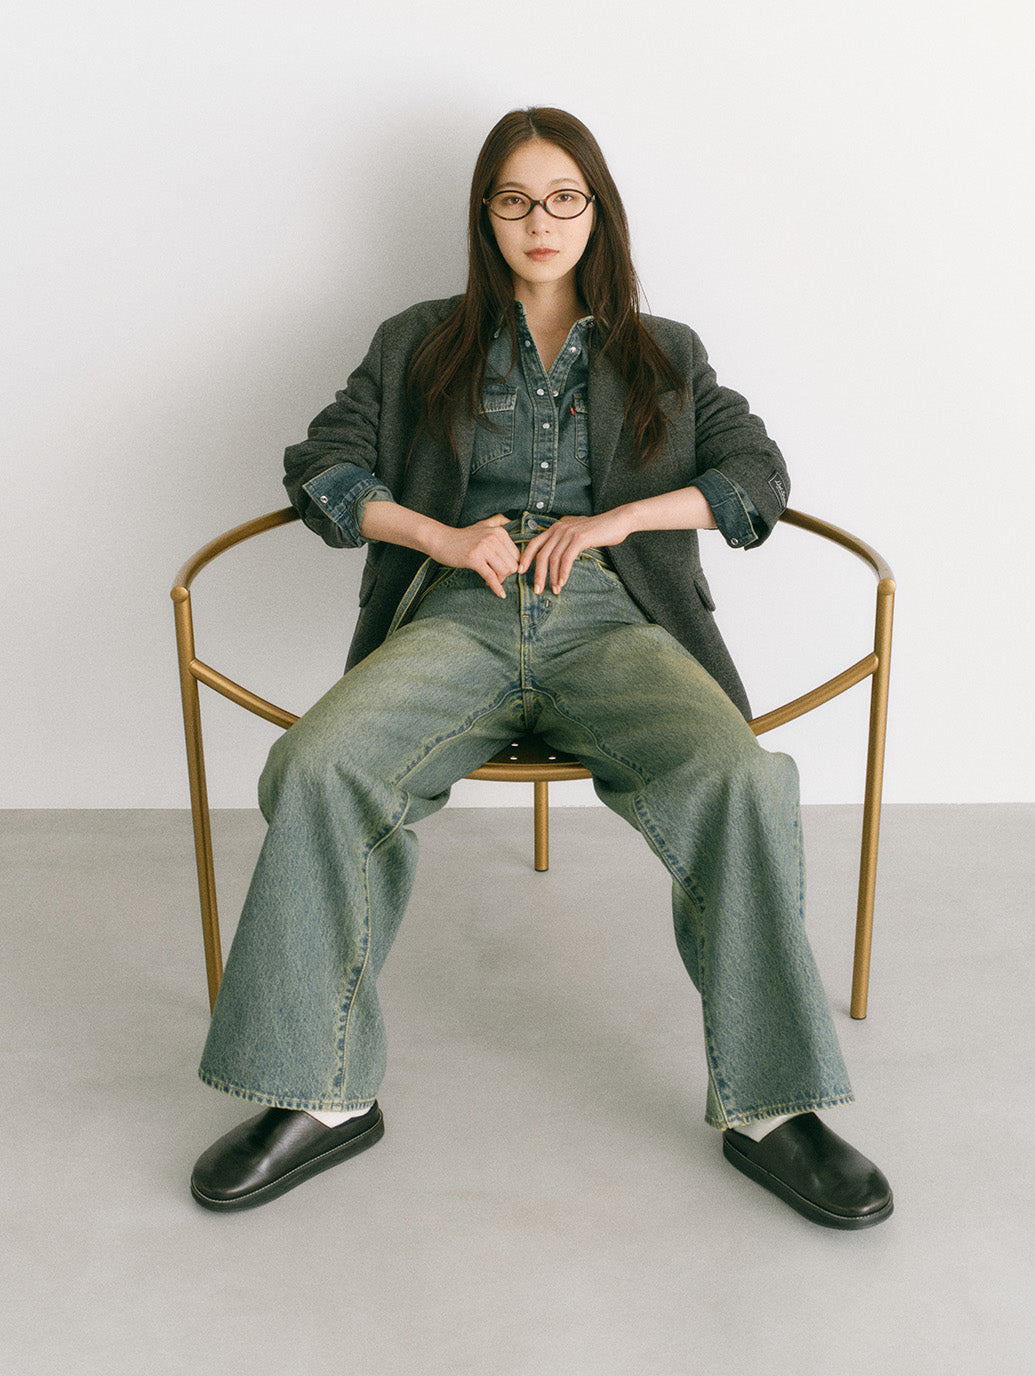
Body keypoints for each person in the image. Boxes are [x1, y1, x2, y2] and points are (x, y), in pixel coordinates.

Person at [190, 107, 892, 1229]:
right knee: (319, 763)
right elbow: (322, 466)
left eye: (564, 197)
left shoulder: (665, 351)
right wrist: (441, 536)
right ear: (486, 215)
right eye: (515, 199)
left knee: (740, 777)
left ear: (597, 211)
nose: (540, 220)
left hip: (612, 618)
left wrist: (618, 520)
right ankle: (319, 1093)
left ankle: (774, 1108)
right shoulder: (417, 341)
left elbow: (756, 477)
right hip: (461, 613)